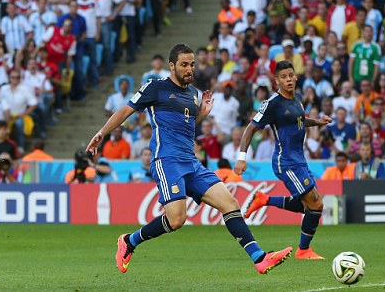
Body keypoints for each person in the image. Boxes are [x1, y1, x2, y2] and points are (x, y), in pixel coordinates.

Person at [86, 43, 291, 274]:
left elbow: (186, 128)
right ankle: (129, 241)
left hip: (191, 161)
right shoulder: (155, 87)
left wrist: (201, 114)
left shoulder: (193, 94)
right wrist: (102, 133)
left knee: (230, 204)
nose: (189, 69)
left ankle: (260, 258)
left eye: (192, 64)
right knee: (176, 220)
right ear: (171, 66)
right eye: (184, 65)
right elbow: (125, 111)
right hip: (166, 160)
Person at [236, 60, 332, 260]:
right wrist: (241, 158)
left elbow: (299, 120)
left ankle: (265, 199)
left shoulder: (297, 98)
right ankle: (303, 250)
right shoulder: (272, 103)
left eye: (291, 75)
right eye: (283, 77)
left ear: (295, 76)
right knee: (316, 205)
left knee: (309, 205)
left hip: (299, 160)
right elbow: (251, 128)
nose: (288, 79)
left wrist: (318, 122)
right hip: (285, 161)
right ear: (276, 80)